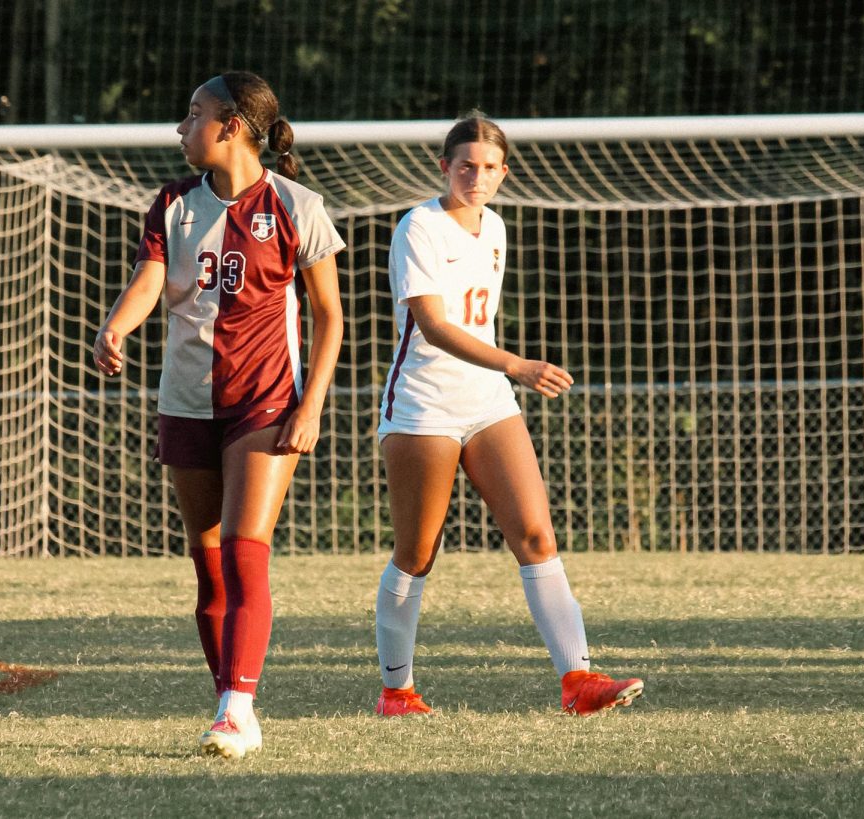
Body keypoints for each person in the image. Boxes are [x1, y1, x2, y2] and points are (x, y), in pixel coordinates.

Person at [93, 71, 345, 757]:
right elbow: (150, 279)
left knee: (242, 551)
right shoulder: (172, 204)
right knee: (208, 564)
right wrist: (116, 328)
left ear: (231, 124)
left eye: (192, 113)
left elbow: (330, 316)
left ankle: (237, 708)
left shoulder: (296, 205)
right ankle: (229, 697)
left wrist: (312, 403)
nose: (181, 127)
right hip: (185, 399)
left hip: (265, 400)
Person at [372, 114, 643, 718]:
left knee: (537, 535)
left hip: (489, 401)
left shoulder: (494, 227)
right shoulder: (418, 226)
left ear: (504, 173)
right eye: (466, 165)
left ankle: (579, 682)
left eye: (490, 167)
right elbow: (435, 327)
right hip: (423, 405)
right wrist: (516, 364)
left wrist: (504, 374)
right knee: (417, 552)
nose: (478, 176)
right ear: (443, 167)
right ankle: (397, 692)